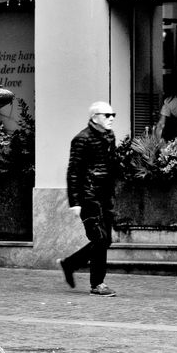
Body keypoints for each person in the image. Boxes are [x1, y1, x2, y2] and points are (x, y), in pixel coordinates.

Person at [58, 101, 118, 296]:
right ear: (94, 118)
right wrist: (75, 201)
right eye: (106, 115)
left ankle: (70, 264)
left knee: (105, 240)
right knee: (99, 239)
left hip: (105, 196)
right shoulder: (81, 139)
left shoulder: (110, 137)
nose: (111, 118)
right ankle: (97, 284)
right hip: (88, 195)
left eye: (112, 115)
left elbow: (111, 166)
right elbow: (73, 172)